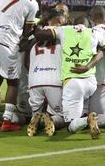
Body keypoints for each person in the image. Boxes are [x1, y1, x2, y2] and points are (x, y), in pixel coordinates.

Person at [34, 16, 105, 139]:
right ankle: (86, 118)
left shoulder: (64, 30)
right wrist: (88, 65)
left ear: (74, 23)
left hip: (72, 82)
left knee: (71, 125)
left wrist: (41, 23)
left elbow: (39, 35)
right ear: (88, 25)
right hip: (90, 82)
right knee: (80, 105)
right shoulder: (93, 33)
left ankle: (87, 120)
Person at [0, 0, 48, 132]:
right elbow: (26, 30)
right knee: (13, 82)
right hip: (6, 40)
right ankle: (7, 121)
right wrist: (29, 33)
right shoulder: (32, 3)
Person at [26, 9, 67, 137]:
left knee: (35, 114)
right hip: (54, 80)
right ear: (59, 21)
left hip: (34, 81)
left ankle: (36, 120)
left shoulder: (35, 37)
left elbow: (26, 63)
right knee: (62, 115)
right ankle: (51, 120)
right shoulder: (63, 33)